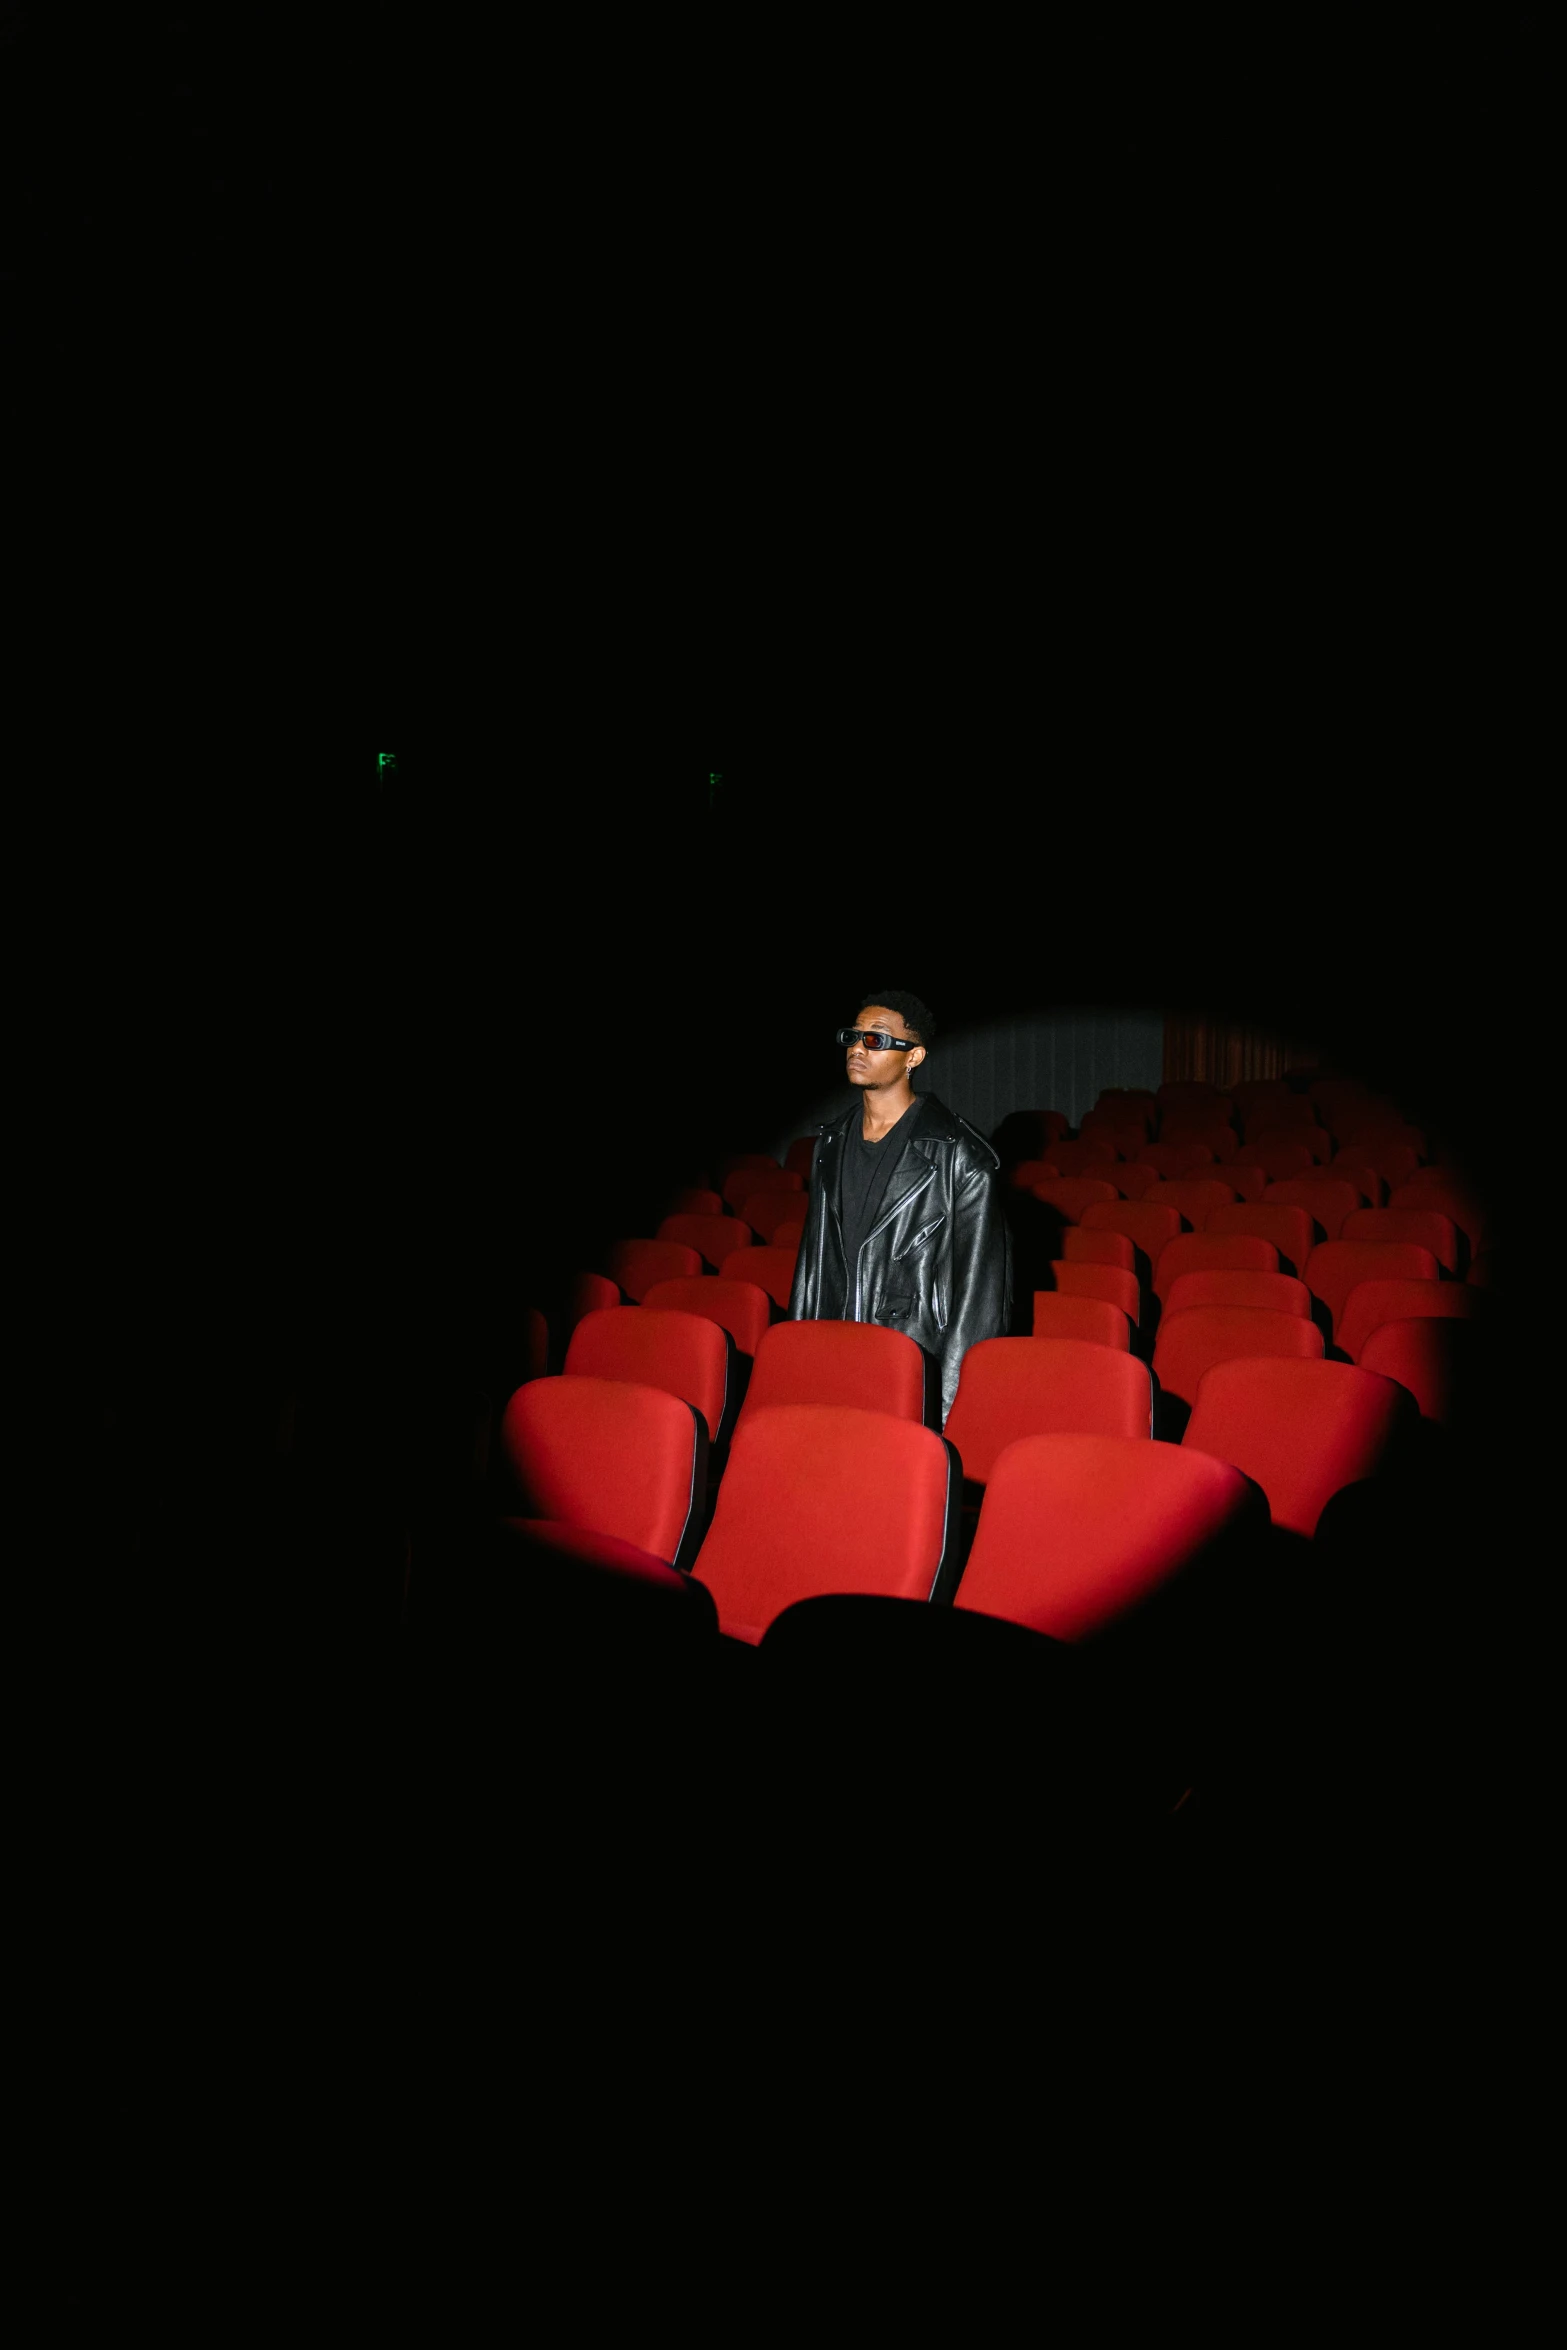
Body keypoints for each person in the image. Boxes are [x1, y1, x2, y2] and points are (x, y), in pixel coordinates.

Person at [787, 992, 1012, 1426]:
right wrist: (800, 1362)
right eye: (853, 1036)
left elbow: (981, 1296)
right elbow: (812, 1267)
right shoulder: (829, 1145)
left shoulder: (961, 1157)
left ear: (914, 1057)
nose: (858, 1047)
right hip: (834, 1354)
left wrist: (947, 1406)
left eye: (877, 1039)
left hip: (911, 1361)